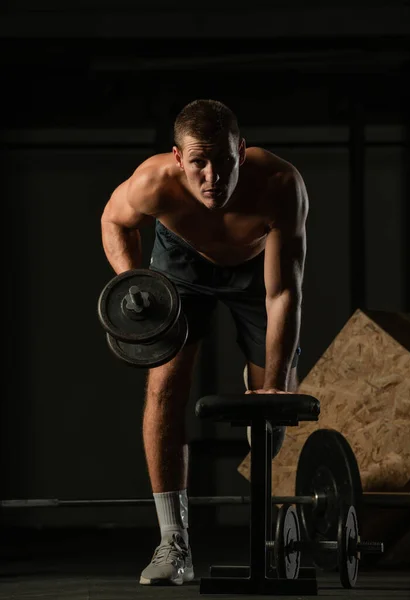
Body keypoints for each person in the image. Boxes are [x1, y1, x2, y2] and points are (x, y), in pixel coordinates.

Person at [100, 99, 309, 585]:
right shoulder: (154, 183)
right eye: (198, 162)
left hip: (257, 273)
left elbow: (282, 292)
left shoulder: (279, 185)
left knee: (273, 410)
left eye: (224, 160)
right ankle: (173, 543)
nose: (212, 175)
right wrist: (138, 286)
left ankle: (266, 533)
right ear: (178, 158)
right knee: (164, 387)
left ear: (242, 148)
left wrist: (274, 386)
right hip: (181, 265)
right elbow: (115, 221)